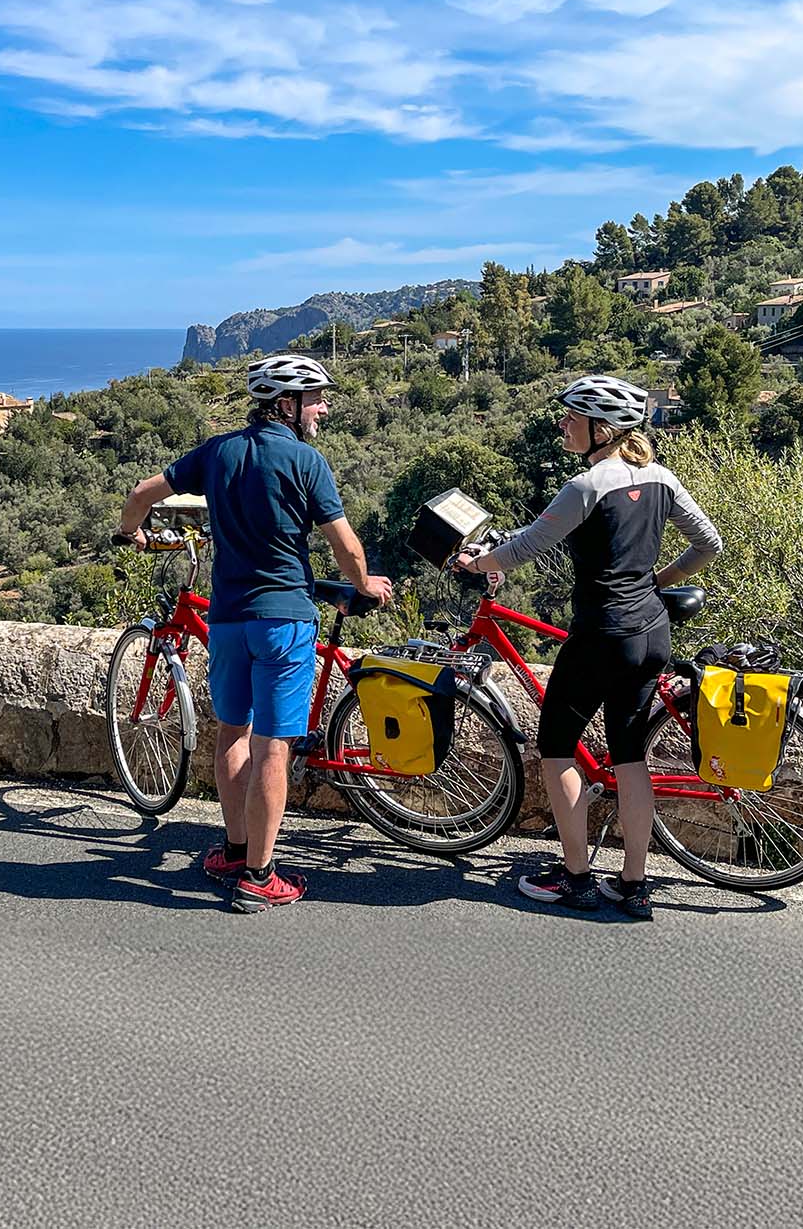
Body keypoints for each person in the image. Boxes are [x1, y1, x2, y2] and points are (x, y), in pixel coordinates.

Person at [116, 354, 393, 913]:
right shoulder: (306, 461)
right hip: (284, 622)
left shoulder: (218, 451)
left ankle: (234, 849)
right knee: (274, 746)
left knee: (232, 734)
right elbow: (346, 547)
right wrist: (366, 585)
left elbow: (143, 494)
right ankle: (259, 876)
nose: (323, 408)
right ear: (286, 404)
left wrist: (132, 535)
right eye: (315, 398)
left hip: (228, 621)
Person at [453, 375, 722, 920]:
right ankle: (633, 885)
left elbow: (526, 546)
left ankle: (575, 879)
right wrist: (655, 584)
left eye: (573, 417)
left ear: (603, 428)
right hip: (650, 634)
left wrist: (475, 563)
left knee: (555, 748)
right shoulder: (661, 478)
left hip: (601, 635)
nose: (563, 425)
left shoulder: (586, 487)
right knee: (629, 756)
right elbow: (709, 543)